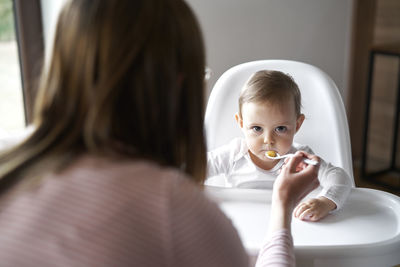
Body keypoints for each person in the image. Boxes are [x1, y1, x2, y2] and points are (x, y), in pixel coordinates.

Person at [0, 0, 319, 266]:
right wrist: (282, 204)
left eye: (280, 128)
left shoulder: (9, 163)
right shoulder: (174, 209)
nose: (268, 138)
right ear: (178, 87)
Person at [207, 70, 352, 221]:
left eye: (280, 129)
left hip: (288, 226)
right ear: (241, 124)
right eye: (257, 128)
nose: (268, 140)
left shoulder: (300, 159)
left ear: (297, 125)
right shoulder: (233, 154)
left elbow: (341, 178)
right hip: (241, 226)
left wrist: (325, 202)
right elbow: (193, 169)